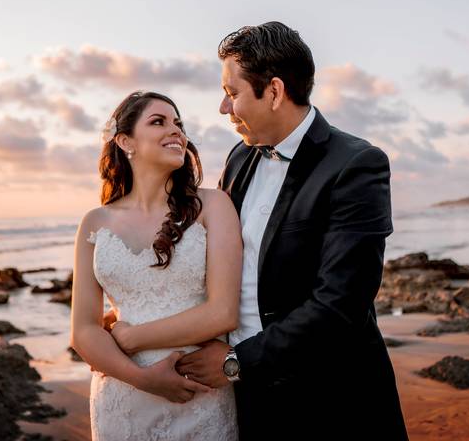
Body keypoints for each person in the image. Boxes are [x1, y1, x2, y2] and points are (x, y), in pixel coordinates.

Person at [175, 22, 409, 439]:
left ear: (275, 92)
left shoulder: (355, 164)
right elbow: (221, 260)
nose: (224, 108)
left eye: (232, 93)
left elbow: (339, 305)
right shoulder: (237, 158)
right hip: (246, 400)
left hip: (330, 400)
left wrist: (236, 361)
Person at [70, 91, 243, 441]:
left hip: (198, 393)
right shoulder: (95, 222)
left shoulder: (213, 205)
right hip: (121, 397)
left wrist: (132, 336)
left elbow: (223, 312)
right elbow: (84, 330)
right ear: (125, 141)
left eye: (178, 123)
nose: (176, 131)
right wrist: (143, 379)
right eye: (158, 122)